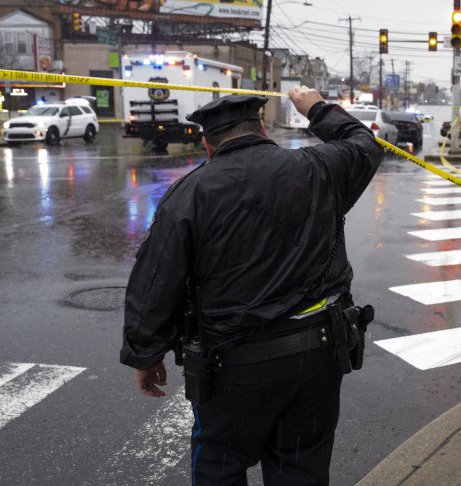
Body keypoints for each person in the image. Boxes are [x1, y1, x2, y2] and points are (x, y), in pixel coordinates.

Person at [121, 86, 383, 485]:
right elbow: (364, 142)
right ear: (262, 128)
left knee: (220, 467)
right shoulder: (318, 169)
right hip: (319, 356)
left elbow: (157, 279)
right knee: (302, 470)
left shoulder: (189, 194)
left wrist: (145, 352)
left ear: (208, 145)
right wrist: (316, 108)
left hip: (234, 367)